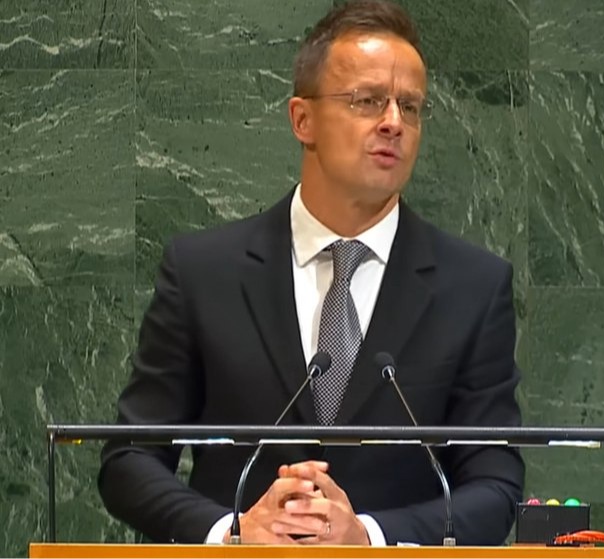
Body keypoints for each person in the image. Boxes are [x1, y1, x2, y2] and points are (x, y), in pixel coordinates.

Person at [99, 0, 524, 546]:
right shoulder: (204, 271)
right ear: (303, 119)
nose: (394, 122)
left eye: (410, 106)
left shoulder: (472, 287)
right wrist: (233, 533)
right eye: (368, 100)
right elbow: (130, 458)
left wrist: (368, 537)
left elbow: (495, 485)